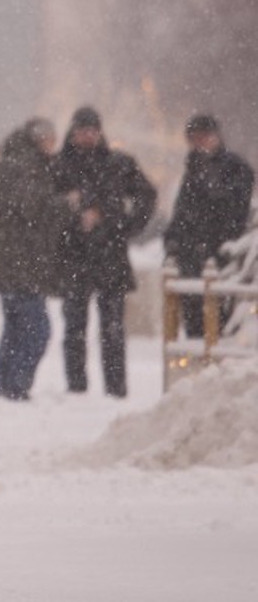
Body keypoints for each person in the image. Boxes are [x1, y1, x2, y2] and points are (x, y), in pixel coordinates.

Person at [50, 106, 157, 398]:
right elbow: (46, 208)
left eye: (93, 130)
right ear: (73, 132)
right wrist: (73, 217)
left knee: (112, 328)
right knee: (75, 328)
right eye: (82, 130)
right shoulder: (58, 166)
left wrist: (124, 225)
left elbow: (146, 195)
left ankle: (115, 388)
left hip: (110, 255)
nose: (88, 136)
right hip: (74, 255)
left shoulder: (118, 164)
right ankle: (77, 388)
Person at [0, 118, 65, 401]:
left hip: (14, 263)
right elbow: (30, 208)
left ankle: (7, 387)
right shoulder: (23, 166)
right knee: (36, 330)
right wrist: (65, 203)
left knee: (16, 328)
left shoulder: (16, 162)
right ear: (40, 140)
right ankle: (16, 387)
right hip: (19, 263)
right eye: (51, 139)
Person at [163, 113, 255, 338]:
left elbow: (234, 211)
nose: (199, 144)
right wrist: (173, 241)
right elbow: (182, 212)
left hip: (221, 256)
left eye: (203, 137)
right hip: (192, 257)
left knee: (220, 323)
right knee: (194, 323)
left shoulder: (235, 168)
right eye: (195, 139)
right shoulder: (193, 170)